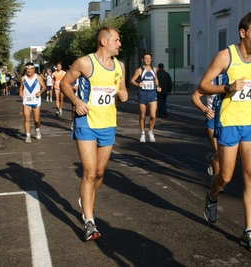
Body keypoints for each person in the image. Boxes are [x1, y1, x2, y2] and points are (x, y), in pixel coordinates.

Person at [198, 12, 251, 252]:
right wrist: (227, 87)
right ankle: (212, 195)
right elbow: (203, 85)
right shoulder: (225, 56)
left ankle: (249, 231)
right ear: (243, 33)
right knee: (226, 177)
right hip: (229, 124)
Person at [60, 27, 128, 241]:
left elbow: (121, 90)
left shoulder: (120, 66)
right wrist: (76, 101)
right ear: (104, 42)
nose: (119, 44)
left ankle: (86, 198)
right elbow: (64, 83)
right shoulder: (85, 63)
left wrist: (122, 94)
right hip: (86, 123)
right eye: (117, 40)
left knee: (99, 173)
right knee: (89, 173)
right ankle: (89, 221)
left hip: (108, 125)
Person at [130, 52, 162, 143]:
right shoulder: (139, 70)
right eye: (146, 58)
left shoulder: (154, 69)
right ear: (142, 60)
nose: (148, 60)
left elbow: (155, 79)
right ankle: (142, 133)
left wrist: (158, 86)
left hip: (152, 94)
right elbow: (132, 80)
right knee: (142, 115)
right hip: (143, 94)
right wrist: (138, 84)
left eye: (149, 58)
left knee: (153, 115)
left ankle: (150, 132)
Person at [18, 62, 47, 143]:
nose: (29, 71)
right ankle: (28, 136)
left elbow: (44, 87)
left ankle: (37, 129)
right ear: (26, 70)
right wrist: (20, 92)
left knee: (36, 120)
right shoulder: (23, 78)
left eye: (31, 69)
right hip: (26, 100)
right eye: (27, 69)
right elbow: (21, 87)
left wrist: (40, 92)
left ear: (34, 69)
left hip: (36, 100)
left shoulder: (38, 77)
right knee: (27, 119)